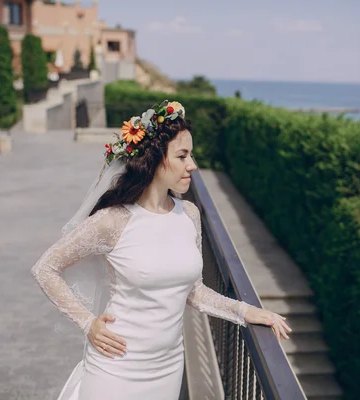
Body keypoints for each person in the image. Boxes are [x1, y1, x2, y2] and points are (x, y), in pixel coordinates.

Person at [31, 100, 292, 400]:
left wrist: (247, 311)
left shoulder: (190, 214)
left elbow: (194, 291)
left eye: (191, 155)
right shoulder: (112, 221)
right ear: (154, 160)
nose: (192, 165)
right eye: (182, 156)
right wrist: (88, 323)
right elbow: (45, 268)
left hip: (168, 368)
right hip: (117, 368)